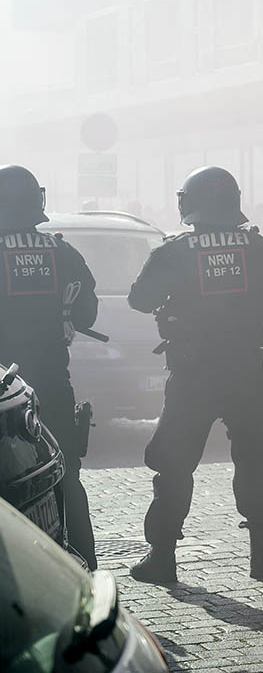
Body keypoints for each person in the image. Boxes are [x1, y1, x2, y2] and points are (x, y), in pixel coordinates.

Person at [128, 166, 263, 584]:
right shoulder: (260, 247)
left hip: (192, 375)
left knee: (175, 463)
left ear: (190, 204)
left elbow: (140, 299)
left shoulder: (175, 251)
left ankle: (161, 557)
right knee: (254, 458)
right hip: (245, 372)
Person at [0, 165, 99, 569]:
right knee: (66, 476)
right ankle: (88, 568)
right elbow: (88, 315)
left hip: (6, 392)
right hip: (55, 385)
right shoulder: (63, 252)